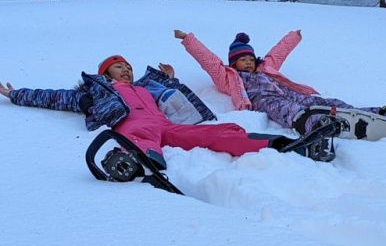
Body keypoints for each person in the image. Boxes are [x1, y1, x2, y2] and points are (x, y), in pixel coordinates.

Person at [0, 55, 297, 169]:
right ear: (105, 73)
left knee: (211, 132)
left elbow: (173, 95)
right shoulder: (96, 92)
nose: (126, 70)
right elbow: (54, 98)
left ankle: (266, 143)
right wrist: (15, 94)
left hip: (165, 126)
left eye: (128, 66)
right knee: (141, 137)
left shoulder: (144, 86)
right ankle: (134, 161)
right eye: (119, 67)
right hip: (132, 127)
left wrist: (167, 77)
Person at [173, 29, 386, 134]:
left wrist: (294, 37)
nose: (248, 63)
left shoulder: (266, 68)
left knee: (323, 101)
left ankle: (377, 112)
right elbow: (209, 61)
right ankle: (317, 125)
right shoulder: (229, 77)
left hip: (288, 92)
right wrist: (188, 40)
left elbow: (278, 53)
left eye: (251, 58)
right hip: (264, 100)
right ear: (234, 63)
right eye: (243, 60)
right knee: (289, 110)